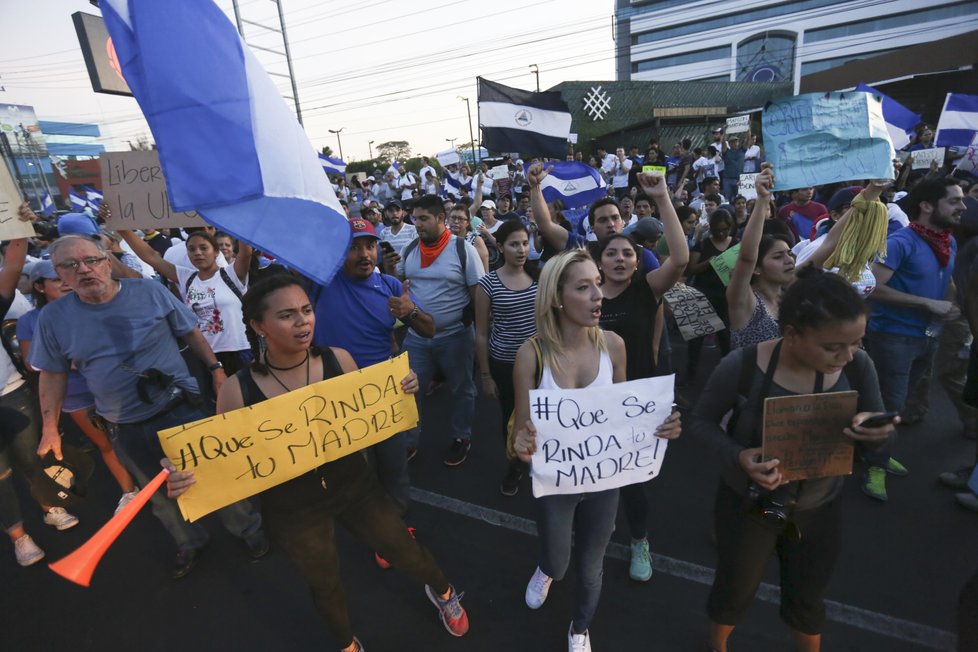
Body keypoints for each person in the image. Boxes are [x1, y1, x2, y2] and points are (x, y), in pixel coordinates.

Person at [163, 275, 468, 652]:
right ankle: (346, 644)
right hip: (292, 508)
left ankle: (443, 590)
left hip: (355, 486)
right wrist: (189, 479)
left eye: (307, 311)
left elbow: (368, 412)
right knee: (324, 582)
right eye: (287, 315)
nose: (303, 322)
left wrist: (399, 390)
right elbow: (224, 461)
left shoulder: (338, 359)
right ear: (258, 326)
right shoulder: (236, 390)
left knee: (404, 550)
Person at [32, 234, 267, 579]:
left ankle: (248, 530)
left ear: (107, 262)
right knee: (158, 495)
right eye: (70, 265)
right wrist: (50, 427)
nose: (84, 270)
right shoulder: (52, 319)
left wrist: (216, 370)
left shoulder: (150, 292)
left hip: (181, 409)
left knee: (213, 476)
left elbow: (191, 333)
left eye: (92, 260)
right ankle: (189, 541)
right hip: (123, 424)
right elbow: (52, 375)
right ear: (58, 274)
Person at [691, 267, 896, 652]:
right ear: (791, 335)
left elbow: (880, 438)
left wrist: (878, 434)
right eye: (833, 347)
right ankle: (716, 646)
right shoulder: (743, 366)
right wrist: (739, 458)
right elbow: (700, 423)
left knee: (808, 595)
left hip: (818, 506)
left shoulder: (858, 367)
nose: (846, 356)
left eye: (856, 343)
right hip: (748, 505)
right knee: (735, 588)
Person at [511, 249, 681, 652]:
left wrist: (663, 425)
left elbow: (625, 417)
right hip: (555, 486)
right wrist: (521, 445)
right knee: (560, 561)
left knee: (590, 568)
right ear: (556, 297)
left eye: (598, 285)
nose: (597, 295)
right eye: (583, 287)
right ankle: (547, 569)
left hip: (606, 483)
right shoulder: (530, 355)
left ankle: (580, 627)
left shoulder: (614, 346)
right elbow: (521, 430)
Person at [593, 171, 689, 582]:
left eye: (627, 254)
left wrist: (663, 197)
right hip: (595, 401)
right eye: (611, 253)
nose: (619, 258)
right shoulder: (585, 296)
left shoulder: (647, 288)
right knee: (596, 474)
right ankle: (600, 530)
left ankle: (639, 540)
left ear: (637, 261)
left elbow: (681, 258)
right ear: (598, 262)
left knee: (633, 481)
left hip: (638, 399)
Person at [310, 218, 434, 532]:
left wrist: (410, 312)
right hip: (338, 398)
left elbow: (429, 329)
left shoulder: (391, 286)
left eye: (370, 245)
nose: (364, 253)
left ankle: (394, 524)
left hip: (384, 395)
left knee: (393, 466)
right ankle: (368, 523)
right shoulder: (321, 282)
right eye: (354, 247)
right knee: (355, 469)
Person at [862, 177, 965, 501]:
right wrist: (926, 303)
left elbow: (943, 279)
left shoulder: (948, 241)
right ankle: (874, 465)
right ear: (926, 206)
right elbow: (873, 289)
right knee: (890, 404)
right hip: (893, 336)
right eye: (954, 200)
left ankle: (872, 451)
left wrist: (952, 303)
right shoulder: (899, 242)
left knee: (899, 402)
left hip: (929, 336)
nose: (962, 207)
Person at [17, 260, 137, 512]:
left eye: (65, 275)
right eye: (55, 278)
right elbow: (30, 363)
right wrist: (70, 359)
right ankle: (129, 492)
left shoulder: (90, 305)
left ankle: (160, 481)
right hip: (75, 396)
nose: (64, 281)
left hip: (112, 385)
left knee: (136, 436)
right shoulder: (29, 321)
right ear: (39, 286)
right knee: (105, 444)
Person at [0, 203, 79, 567]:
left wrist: (18, 223)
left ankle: (50, 508)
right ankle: (20, 537)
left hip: (11, 393)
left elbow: (13, 263)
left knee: (33, 458)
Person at [394, 194, 484, 465]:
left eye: (423, 218)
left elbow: (477, 293)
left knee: (462, 389)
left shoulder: (462, 249)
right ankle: (409, 440)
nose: (417, 224)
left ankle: (461, 437)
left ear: (441, 219)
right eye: (415, 218)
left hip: (455, 336)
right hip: (416, 336)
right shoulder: (409, 249)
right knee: (408, 390)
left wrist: (480, 339)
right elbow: (400, 283)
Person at [118, 225, 254, 378]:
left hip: (240, 352)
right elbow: (151, 257)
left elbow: (246, 252)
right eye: (191, 249)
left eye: (204, 248)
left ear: (216, 252)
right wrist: (121, 227)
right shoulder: (187, 278)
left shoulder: (231, 274)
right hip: (207, 359)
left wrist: (241, 219)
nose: (198, 253)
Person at [474, 220, 537, 496]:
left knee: (544, 414)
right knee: (512, 417)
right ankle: (515, 465)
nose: (521, 249)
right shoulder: (488, 283)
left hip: (540, 362)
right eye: (514, 244)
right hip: (505, 364)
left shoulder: (539, 276)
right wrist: (485, 375)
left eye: (525, 243)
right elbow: (481, 334)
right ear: (500, 247)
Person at [727, 165, 796, 350]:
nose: (789, 260)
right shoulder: (745, 301)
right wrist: (763, 199)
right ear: (756, 268)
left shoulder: (790, 299)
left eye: (790, 254)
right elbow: (746, 258)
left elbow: (828, 245)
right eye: (778, 256)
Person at [685, 208, 737, 383]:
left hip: (727, 295)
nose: (722, 233)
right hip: (703, 293)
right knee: (696, 340)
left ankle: (729, 376)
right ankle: (690, 374)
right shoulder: (703, 244)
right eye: (719, 230)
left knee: (726, 338)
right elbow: (691, 269)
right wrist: (708, 263)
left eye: (726, 229)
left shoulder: (736, 243)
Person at [447, 204, 489, 273]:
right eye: (453, 218)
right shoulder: (442, 238)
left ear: (467, 223)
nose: (456, 221)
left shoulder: (476, 240)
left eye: (460, 219)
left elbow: (485, 272)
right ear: (448, 220)